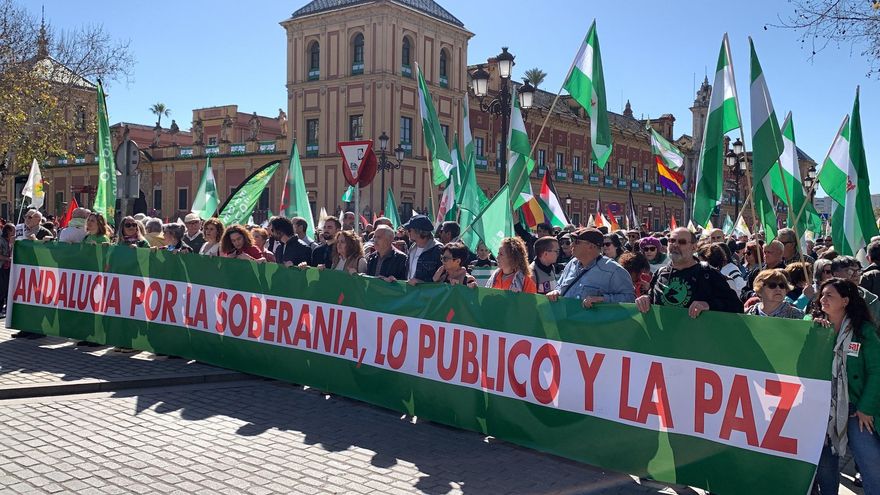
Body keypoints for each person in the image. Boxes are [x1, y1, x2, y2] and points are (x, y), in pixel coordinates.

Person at [813, 278, 880, 494]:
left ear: (845, 301)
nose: (823, 299)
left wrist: (866, 408)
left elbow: (876, 371)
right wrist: (815, 334)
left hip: (857, 410)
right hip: (824, 410)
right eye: (822, 295)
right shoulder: (813, 325)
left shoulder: (864, 331)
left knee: (871, 464)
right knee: (825, 466)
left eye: (829, 295)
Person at [636, 227, 743, 317]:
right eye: (671, 241)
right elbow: (654, 299)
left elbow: (736, 306)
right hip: (666, 339)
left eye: (682, 242)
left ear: (694, 247)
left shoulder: (708, 274)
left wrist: (708, 305)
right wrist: (646, 299)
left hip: (697, 339)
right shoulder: (660, 273)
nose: (675, 245)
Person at [547, 228, 635, 307]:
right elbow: (560, 286)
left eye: (576, 242)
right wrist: (556, 292)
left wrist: (603, 299)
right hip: (567, 322)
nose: (571, 245)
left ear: (591, 246)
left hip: (593, 324)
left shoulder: (613, 270)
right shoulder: (571, 264)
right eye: (572, 240)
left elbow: (630, 298)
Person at [832, 256, 880, 326]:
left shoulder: (870, 299)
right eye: (849, 271)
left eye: (858, 271)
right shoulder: (826, 295)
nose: (855, 275)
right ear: (835, 273)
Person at [403, 215, 442, 285]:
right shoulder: (412, 248)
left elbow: (442, 278)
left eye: (409, 230)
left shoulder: (438, 250)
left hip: (427, 295)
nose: (407, 232)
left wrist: (422, 283)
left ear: (419, 232)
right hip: (411, 293)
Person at [0, 224, 14, 317]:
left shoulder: (11, 241)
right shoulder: (1, 241)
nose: (15, 232)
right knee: (1, 290)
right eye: (13, 230)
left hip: (9, 269)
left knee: (8, 290)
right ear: (8, 231)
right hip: (2, 268)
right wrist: (9, 259)